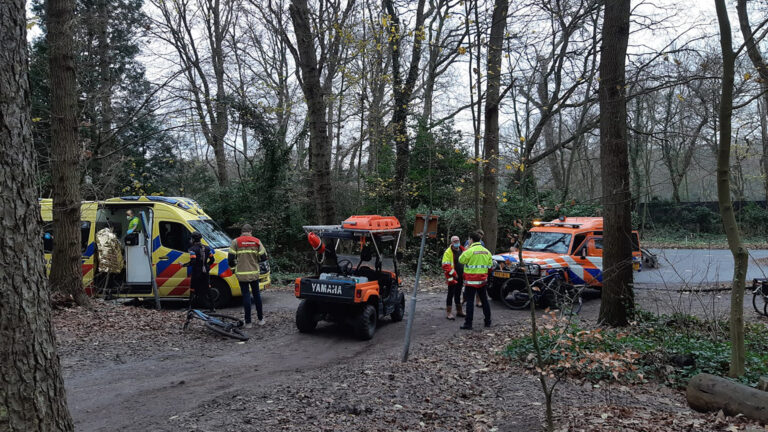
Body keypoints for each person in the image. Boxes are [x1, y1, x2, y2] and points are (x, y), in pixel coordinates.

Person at [229, 224, 268, 328]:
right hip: (254, 273)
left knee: (246, 296)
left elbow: (230, 258)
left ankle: (248, 322)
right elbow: (264, 257)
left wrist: (234, 269)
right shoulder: (256, 241)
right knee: (256, 295)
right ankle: (260, 319)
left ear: (242, 231)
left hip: (241, 274)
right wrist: (255, 260)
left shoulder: (235, 242)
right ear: (250, 231)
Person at [459, 230, 493, 330]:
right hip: (482, 281)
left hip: (470, 281)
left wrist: (466, 249)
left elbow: (461, 260)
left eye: (469, 239)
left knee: (470, 302)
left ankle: (468, 324)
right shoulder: (487, 251)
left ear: (471, 240)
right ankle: (488, 321)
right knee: (485, 301)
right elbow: (490, 266)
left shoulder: (469, 251)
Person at [185, 232, 216, 311]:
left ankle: (190, 307)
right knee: (208, 288)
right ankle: (212, 307)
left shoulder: (192, 249)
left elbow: (193, 261)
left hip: (196, 271)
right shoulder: (207, 248)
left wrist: (184, 265)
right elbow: (212, 260)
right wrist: (207, 266)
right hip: (205, 272)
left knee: (192, 288)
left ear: (193, 239)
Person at [441, 235, 465, 320]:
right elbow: (445, 266)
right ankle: (449, 312)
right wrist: (454, 274)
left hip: (461, 276)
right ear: (451, 242)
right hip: (451, 277)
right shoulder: (448, 252)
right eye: (454, 241)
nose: (456, 242)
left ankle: (459, 311)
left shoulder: (462, 250)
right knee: (450, 293)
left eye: (458, 240)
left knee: (458, 293)